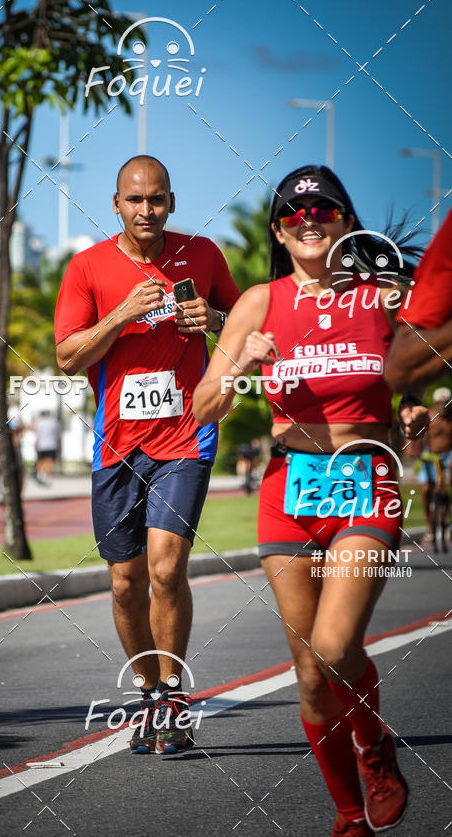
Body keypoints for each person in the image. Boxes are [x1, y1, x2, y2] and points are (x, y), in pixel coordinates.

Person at [193, 165, 429, 836]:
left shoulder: (383, 296)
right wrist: (241, 364)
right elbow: (203, 406)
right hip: (287, 488)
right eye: (294, 215)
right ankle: (350, 815)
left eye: (323, 210)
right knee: (308, 672)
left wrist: (415, 406)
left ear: (346, 221)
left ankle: (373, 745)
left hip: (365, 478)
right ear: (278, 230)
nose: (309, 222)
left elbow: (426, 363)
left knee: (331, 644)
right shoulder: (259, 304)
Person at [55, 155, 240, 754]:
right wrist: (122, 313)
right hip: (117, 443)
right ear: (116, 205)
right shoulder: (87, 267)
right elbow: (68, 357)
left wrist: (213, 318)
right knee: (125, 582)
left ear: (171, 203)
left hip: (185, 436)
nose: (146, 210)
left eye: (156, 199)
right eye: (134, 200)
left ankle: (174, 699)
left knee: (165, 568)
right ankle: (147, 693)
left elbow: (247, 325)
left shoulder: (203, 255)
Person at [385, 209, 452, 392]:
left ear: (348, 223)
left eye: (326, 213)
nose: (313, 222)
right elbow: (401, 370)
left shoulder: (384, 292)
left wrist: (411, 399)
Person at [415, 387, 452, 544]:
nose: (443, 406)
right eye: (440, 403)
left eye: (446, 403)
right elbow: (417, 438)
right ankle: (430, 528)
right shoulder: (428, 417)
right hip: (430, 457)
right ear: (435, 403)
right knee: (426, 489)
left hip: (449, 455)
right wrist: (417, 453)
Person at [34, 410, 61, 482]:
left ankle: (40, 475)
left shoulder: (39, 422)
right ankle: (47, 477)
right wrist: (59, 445)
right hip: (52, 444)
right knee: (49, 461)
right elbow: (58, 435)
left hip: (42, 445)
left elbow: (37, 435)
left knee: (41, 461)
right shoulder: (54, 422)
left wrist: (36, 444)